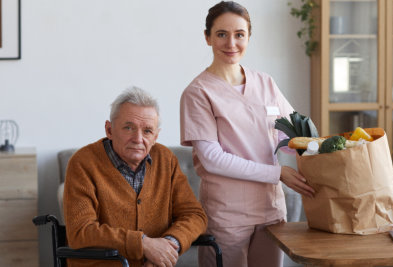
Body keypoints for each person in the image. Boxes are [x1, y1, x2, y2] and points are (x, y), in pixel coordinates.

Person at [180, 1, 315, 267]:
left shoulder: (265, 82)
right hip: (227, 215)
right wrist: (278, 173)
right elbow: (212, 159)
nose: (231, 43)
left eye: (239, 34)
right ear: (207, 37)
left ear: (249, 37)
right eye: (221, 34)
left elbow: (292, 137)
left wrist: (319, 148)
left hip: (270, 210)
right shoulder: (198, 93)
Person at [64, 87, 207, 267]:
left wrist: (167, 248)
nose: (138, 139)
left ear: (155, 136)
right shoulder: (83, 163)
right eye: (129, 128)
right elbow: (81, 232)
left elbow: (194, 214)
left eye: (147, 131)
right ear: (109, 130)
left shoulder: (166, 160)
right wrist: (143, 244)